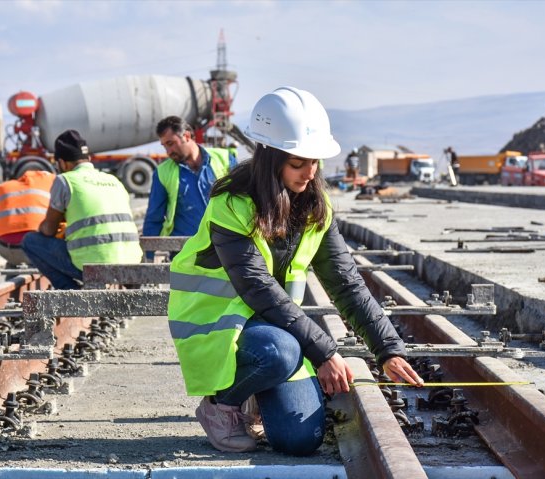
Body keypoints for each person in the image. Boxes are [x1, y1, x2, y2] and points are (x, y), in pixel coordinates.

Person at [168, 87, 423, 455]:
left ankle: (257, 393)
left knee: (299, 440)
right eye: (298, 163)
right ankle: (221, 406)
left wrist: (387, 350)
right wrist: (324, 353)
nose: (310, 172)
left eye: (315, 161)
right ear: (271, 158)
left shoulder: (316, 208)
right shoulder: (232, 205)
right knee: (279, 352)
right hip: (219, 323)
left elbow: (347, 284)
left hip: (272, 328)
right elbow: (258, 289)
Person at [22, 129, 142, 289]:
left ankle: (71, 291)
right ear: (88, 159)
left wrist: (45, 227)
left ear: (62, 163)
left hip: (94, 267)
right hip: (131, 264)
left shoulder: (65, 180)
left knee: (30, 241)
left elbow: (48, 230)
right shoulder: (114, 180)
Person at [142, 116, 237, 250]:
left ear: (186, 136)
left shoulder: (224, 159)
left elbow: (244, 200)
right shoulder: (162, 173)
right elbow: (154, 218)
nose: (168, 152)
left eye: (170, 144)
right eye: (164, 146)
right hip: (186, 252)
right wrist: (150, 255)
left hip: (225, 247)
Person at [0, 169, 56, 266]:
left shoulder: (2, 188)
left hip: (5, 248)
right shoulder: (53, 185)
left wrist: (5, 248)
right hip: (37, 250)